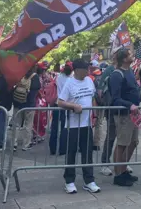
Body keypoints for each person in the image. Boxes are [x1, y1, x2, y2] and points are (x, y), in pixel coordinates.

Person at [56, 59, 101, 194]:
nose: (87, 72)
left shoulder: (89, 81)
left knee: (87, 153)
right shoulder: (69, 83)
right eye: (85, 69)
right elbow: (60, 102)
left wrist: (95, 113)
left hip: (86, 124)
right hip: (72, 126)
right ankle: (69, 181)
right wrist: (74, 106)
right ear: (76, 70)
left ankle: (89, 180)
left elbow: (92, 97)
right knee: (71, 153)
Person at [109, 48, 141, 187]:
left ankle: (123, 169)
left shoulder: (130, 72)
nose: (132, 55)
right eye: (129, 54)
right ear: (123, 58)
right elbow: (115, 98)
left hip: (133, 114)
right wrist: (130, 105)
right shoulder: (117, 74)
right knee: (122, 143)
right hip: (123, 115)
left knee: (133, 142)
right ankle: (118, 175)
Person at [12, 64, 41, 151]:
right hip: (29, 104)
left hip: (18, 103)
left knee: (16, 124)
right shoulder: (35, 77)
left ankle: (14, 143)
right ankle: (26, 144)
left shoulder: (20, 75)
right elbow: (37, 89)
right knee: (28, 125)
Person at [50, 62, 72, 155]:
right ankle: (62, 149)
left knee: (54, 127)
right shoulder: (70, 80)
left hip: (56, 103)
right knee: (64, 127)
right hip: (65, 104)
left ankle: (52, 149)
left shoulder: (58, 77)